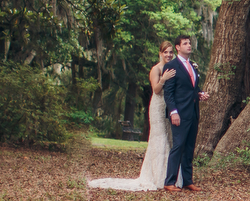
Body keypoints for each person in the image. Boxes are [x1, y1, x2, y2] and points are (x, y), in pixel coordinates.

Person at [88, 42, 182, 191]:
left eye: (171, 52)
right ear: (160, 53)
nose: (169, 55)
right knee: (160, 139)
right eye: (166, 52)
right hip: (158, 108)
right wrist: (163, 78)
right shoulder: (156, 69)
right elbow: (156, 90)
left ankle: (172, 177)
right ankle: (157, 177)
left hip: (170, 108)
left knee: (170, 139)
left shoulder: (174, 69)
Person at [162, 34, 210, 192]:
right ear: (178, 47)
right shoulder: (172, 65)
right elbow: (168, 93)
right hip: (179, 113)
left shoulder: (192, 66)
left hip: (193, 112)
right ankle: (169, 182)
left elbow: (191, 88)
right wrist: (173, 112)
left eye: (189, 43)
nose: (189, 46)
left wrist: (200, 94)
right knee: (178, 146)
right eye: (185, 43)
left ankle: (187, 181)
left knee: (190, 147)